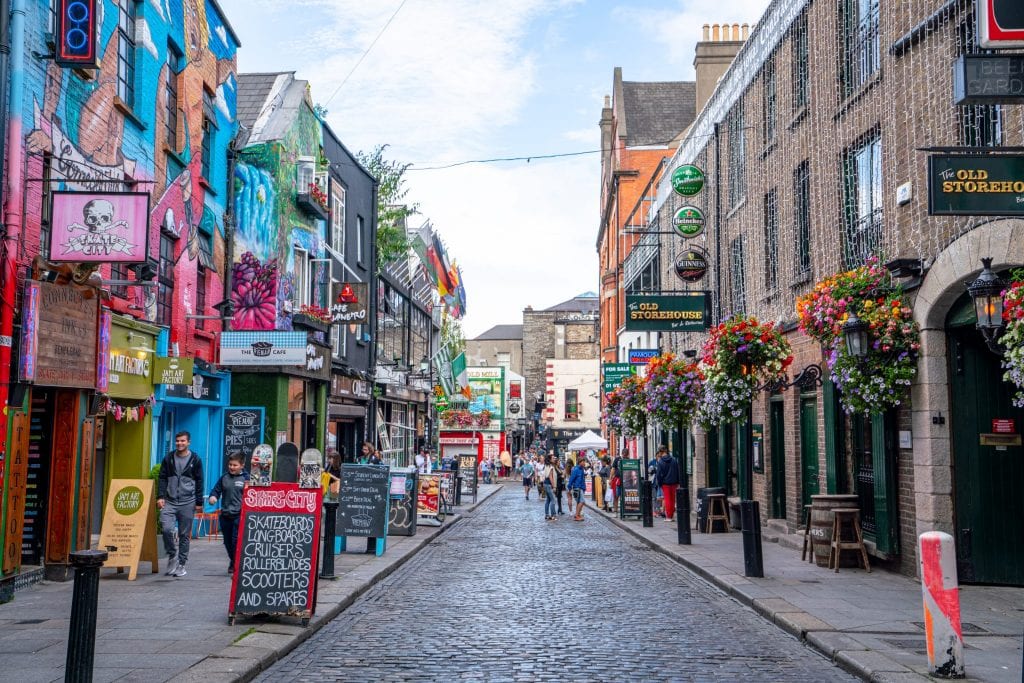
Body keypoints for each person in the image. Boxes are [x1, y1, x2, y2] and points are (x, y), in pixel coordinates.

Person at [157, 431, 204, 578]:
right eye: (177, 441)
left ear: (188, 442)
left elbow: (200, 480)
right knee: (166, 529)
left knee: (184, 535)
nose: (179, 443)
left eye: (183, 441)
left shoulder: (195, 459)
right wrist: (160, 496)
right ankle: (172, 555)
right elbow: (162, 477)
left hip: (188, 502)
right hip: (170, 501)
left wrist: (199, 502)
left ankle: (181, 565)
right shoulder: (169, 458)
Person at [208, 452, 248, 573]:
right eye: (230, 464)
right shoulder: (224, 477)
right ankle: (233, 560)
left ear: (242, 465)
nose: (231, 467)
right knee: (227, 541)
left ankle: (236, 565)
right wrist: (213, 497)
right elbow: (216, 490)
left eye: (235, 465)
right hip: (225, 515)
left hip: (239, 515)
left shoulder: (247, 479)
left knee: (235, 541)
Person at [656, 446, 680, 521]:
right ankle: (671, 515)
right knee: (672, 499)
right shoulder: (673, 460)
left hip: (665, 483)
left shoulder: (660, 461)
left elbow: (659, 474)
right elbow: (677, 471)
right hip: (674, 482)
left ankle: (669, 516)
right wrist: (678, 481)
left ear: (660, 452)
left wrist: (660, 483)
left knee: (667, 499)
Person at [568, 456, 586, 521]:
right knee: (582, 501)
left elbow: (582, 480)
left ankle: (577, 515)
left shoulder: (582, 469)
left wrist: (584, 488)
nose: (584, 463)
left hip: (580, 488)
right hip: (577, 488)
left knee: (579, 502)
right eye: (583, 462)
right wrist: (569, 487)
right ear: (579, 462)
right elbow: (571, 479)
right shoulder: (576, 469)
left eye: (584, 462)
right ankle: (576, 515)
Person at [542, 454, 558, 521]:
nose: (554, 459)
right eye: (553, 458)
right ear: (550, 459)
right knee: (553, 500)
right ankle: (553, 515)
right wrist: (554, 486)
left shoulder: (546, 465)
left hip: (545, 484)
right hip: (549, 484)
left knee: (548, 500)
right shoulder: (551, 466)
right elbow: (550, 477)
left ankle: (547, 515)